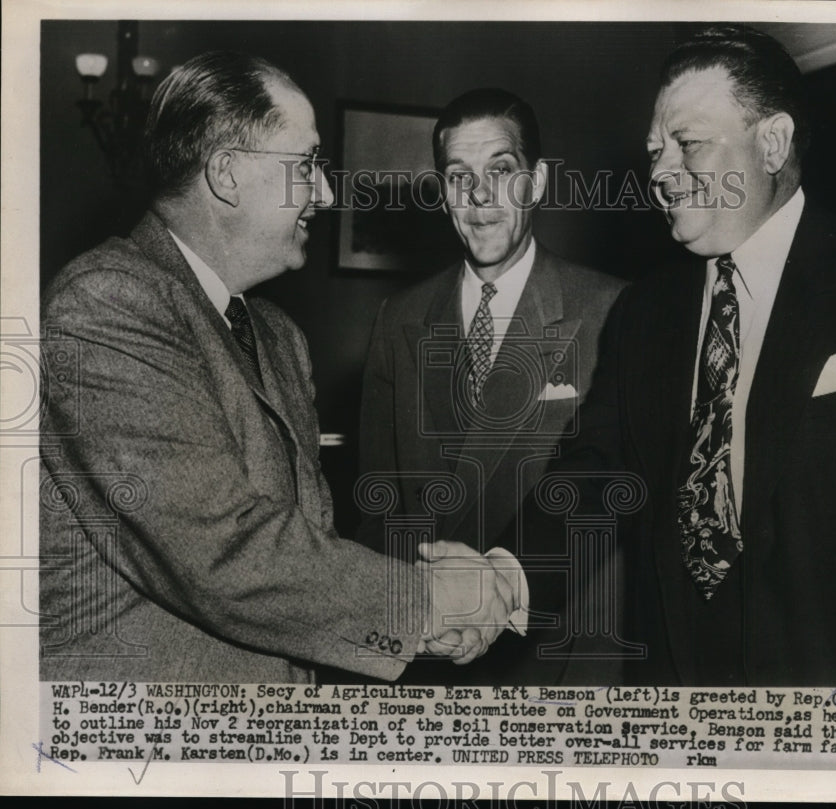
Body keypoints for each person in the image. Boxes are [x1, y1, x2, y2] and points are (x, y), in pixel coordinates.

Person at [38, 51, 514, 683]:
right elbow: (218, 549)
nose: (326, 192)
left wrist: (426, 605)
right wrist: (427, 602)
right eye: (307, 164)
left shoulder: (279, 337)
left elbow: (301, 547)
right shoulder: (106, 303)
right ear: (227, 174)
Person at [517, 25, 836, 686]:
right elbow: (596, 473)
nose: (659, 172)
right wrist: (504, 575)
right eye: (655, 150)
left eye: (687, 143)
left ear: (772, 143)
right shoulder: (642, 311)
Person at [356, 88, 626, 683]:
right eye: (459, 177)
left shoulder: (612, 310)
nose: (479, 197)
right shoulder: (399, 318)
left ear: (538, 181)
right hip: (431, 655)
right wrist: (416, 622)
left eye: (501, 172)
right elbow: (378, 509)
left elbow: (618, 509)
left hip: (555, 661)